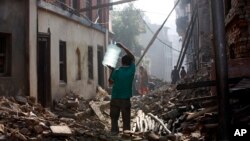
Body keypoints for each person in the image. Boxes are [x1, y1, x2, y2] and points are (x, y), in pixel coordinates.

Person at [107, 42, 135, 136]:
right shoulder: (132, 69)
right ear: (130, 62)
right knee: (126, 121)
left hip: (115, 98)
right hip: (125, 100)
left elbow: (110, 83)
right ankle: (126, 136)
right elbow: (132, 57)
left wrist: (112, 71)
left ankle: (114, 134)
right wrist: (123, 46)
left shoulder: (117, 71)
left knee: (114, 120)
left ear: (122, 62)